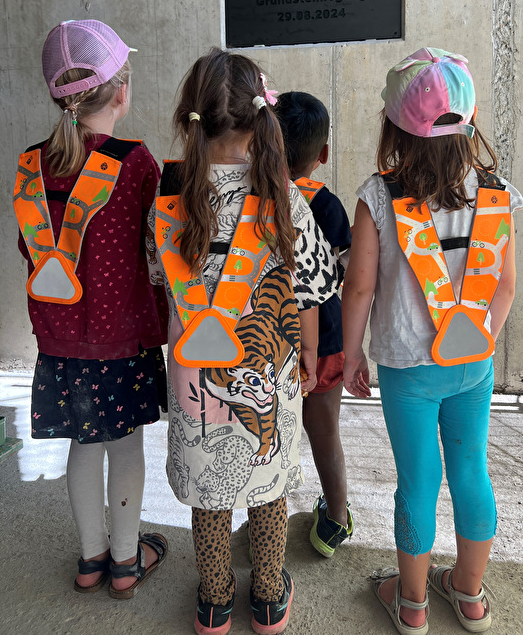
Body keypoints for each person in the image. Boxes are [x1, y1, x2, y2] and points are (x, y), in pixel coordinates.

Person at [148, 48, 339, 635]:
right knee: (267, 485)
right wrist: (308, 351)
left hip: (197, 385)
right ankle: (270, 595)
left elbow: (159, 280)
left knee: (210, 490)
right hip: (268, 378)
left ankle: (213, 601)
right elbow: (312, 289)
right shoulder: (288, 205)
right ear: (263, 120)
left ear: (190, 119)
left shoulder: (168, 203)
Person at [341, 47, 523, 635]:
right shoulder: (496, 193)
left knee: (417, 479)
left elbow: (360, 290)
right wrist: (479, 340)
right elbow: (507, 284)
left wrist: (350, 358)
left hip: (407, 370)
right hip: (473, 364)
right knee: (472, 470)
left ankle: (413, 604)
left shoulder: (377, 198)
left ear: (395, 125)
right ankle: (469, 595)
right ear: (469, 120)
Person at [13, 20, 169, 599]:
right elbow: (160, 250)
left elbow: (28, 247)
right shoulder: (136, 165)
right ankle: (126, 565)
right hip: (120, 340)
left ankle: (90, 559)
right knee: (125, 445)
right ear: (121, 90)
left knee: (82, 445)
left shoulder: (32, 165)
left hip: (58, 342)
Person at [275, 91, 354, 557]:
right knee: (323, 429)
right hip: (323, 336)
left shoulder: (255, 198)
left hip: (268, 339)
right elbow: (341, 273)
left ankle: (266, 513)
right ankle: (336, 519)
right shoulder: (326, 205)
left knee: (270, 431)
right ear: (322, 154)